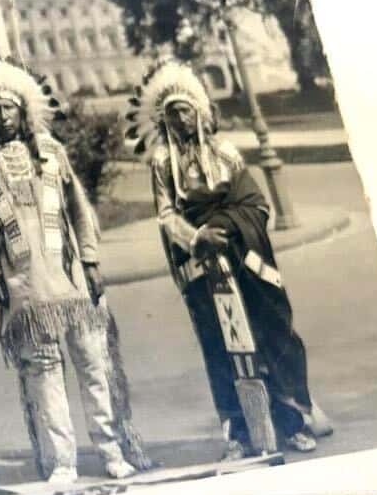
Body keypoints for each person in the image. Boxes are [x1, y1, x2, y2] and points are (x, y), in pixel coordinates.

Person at [126, 59, 332, 459]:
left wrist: (229, 228)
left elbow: (255, 204)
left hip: (245, 257)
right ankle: (240, 432)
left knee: (270, 332)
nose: (180, 119)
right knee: (221, 344)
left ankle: (291, 422)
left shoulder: (226, 152)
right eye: (172, 115)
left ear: (200, 111)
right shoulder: (162, 162)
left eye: (185, 110)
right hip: (202, 262)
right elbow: (166, 213)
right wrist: (198, 237)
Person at [0, 55, 141, 483]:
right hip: (25, 282)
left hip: (69, 272)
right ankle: (63, 461)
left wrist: (90, 259)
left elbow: (78, 210)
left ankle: (110, 451)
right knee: (44, 369)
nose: (2, 116)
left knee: (92, 363)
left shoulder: (53, 154)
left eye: (9, 108)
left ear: (23, 111)